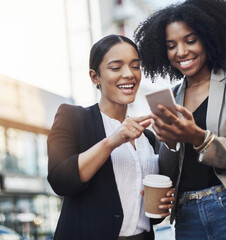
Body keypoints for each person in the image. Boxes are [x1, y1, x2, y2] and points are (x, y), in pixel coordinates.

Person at [134, 0, 226, 239]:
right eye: (171, 45)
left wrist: (199, 137)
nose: (181, 52)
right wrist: (170, 142)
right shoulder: (172, 97)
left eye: (190, 40)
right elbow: (169, 172)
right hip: (188, 219)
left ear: (209, 37)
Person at [47, 34, 175, 240]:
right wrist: (112, 141)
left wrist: (162, 205)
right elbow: (60, 181)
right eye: (116, 67)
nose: (129, 74)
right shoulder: (74, 117)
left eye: (135, 66)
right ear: (95, 77)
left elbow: (149, 216)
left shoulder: (149, 138)